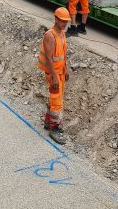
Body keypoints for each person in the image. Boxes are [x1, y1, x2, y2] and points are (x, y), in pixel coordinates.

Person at [38, 7, 70, 144]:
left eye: (66, 22)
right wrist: (55, 77)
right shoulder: (50, 35)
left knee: (55, 99)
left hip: (60, 72)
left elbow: (62, 54)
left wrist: (65, 69)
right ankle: (54, 128)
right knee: (57, 101)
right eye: (62, 21)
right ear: (56, 19)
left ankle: (47, 121)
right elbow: (50, 58)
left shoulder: (62, 33)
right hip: (53, 74)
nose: (64, 24)